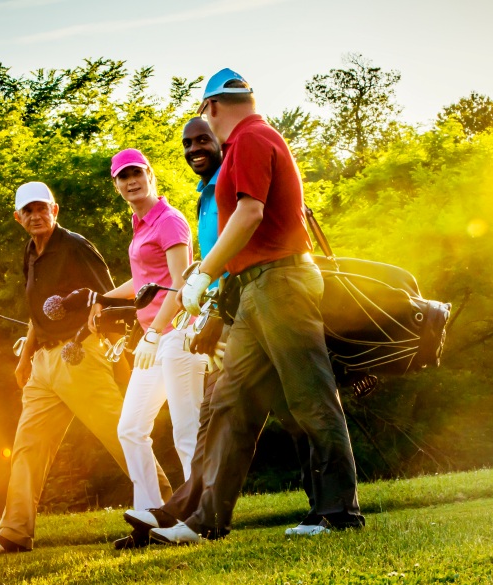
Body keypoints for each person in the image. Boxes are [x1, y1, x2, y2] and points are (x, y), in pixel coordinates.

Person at [151, 69, 365, 544]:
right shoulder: (253, 138)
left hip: (281, 281)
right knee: (230, 403)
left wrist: (205, 272)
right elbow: (247, 228)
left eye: (206, 114)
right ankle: (206, 519)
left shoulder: (250, 139)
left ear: (213, 107)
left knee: (310, 397)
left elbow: (250, 213)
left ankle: (338, 513)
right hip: (256, 287)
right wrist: (210, 272)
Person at [0, 181, 173, 555]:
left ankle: (168, 513)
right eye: (28, 211)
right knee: (27, 448)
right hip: (44, 365)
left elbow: (108, 303)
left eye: (42, 208)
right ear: (18, 218)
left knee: (120, 434)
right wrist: (24, 358)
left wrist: (106, 350)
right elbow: (35, 313)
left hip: (79, 355)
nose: (36, 216)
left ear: (55, 209)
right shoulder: (30, 252)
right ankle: (14, 532)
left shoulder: (76, 247)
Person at [90, 149, 206, 515]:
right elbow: (145, 281)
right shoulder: (141, 224)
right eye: (123, 177)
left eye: (136, 173)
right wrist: (104, 299)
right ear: (116, 185)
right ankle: (150, 512)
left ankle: (198, 515)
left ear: (150, 175)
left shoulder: (169, 221)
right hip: (157, 339)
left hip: (180, 334)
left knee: (186, 432)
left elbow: (179, 283)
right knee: (131, 428)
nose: (131, 181)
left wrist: (153, 333)